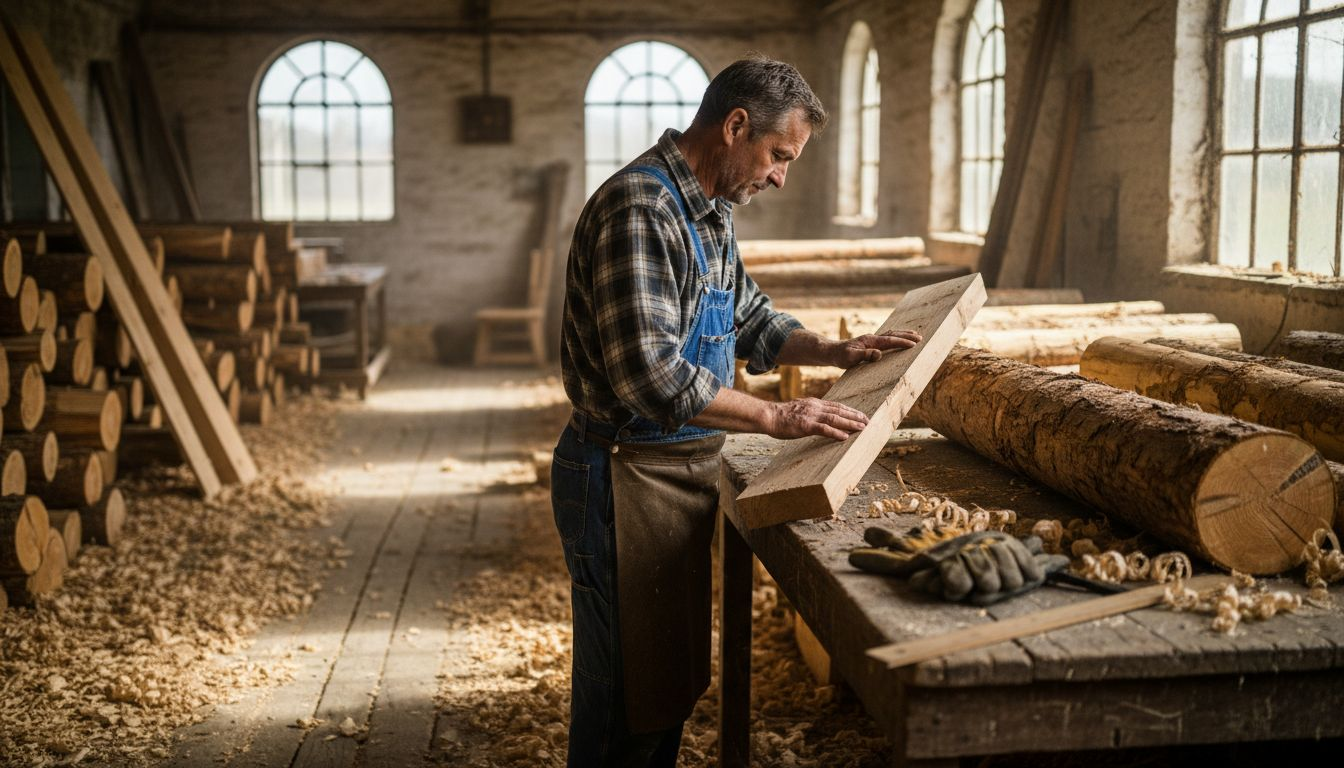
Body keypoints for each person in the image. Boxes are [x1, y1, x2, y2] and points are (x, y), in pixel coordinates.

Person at [552, 54, 921, 767]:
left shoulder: (710, 208)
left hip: (676, 469)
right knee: (621, 695)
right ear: (735, 126)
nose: (781, 175)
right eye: (779, 155)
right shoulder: (643, 207)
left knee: (660, 685)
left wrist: (833, 351)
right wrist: (778, 419)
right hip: (622, 474)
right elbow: (650, 376)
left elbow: (746, 313)